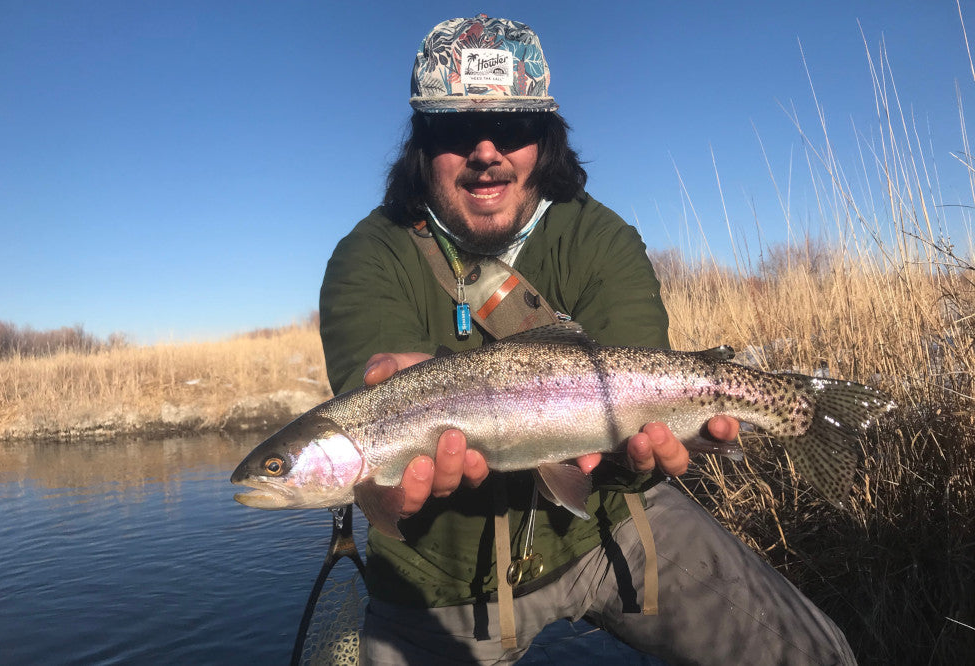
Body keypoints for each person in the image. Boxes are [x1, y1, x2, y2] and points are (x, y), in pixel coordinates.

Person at [319, 14, 856, 665]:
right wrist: (381, 472)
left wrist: (665, 437)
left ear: (545, 138)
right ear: (421, 141)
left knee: (820, 656)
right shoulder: (367, 256)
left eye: (512, 128)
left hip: (616, 522)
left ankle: (805, 415)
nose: (486, 152)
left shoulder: (600, 237)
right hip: (441, 578)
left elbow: (646, 379)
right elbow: (364, 406)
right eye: (457, 129)